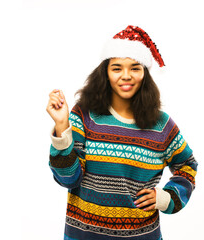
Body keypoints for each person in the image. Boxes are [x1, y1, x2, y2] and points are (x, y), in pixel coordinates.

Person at [46, 25, 197, 240]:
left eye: (135, 68)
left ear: (145, 73)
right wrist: (62, 126)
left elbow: (187, 166)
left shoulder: (162, 125)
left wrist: (166, 198)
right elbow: (68, 179)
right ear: (105, 73)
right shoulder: (84, 116)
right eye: (117, 68)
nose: (126, 75)